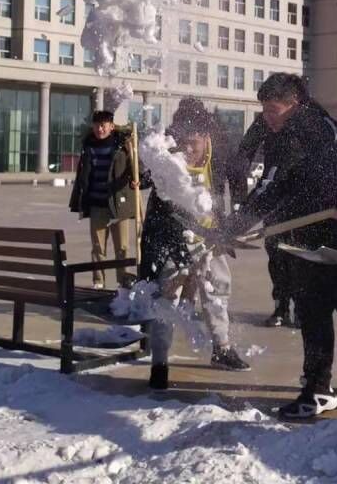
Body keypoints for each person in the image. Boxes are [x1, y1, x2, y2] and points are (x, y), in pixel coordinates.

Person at [228, 73, 337, 419]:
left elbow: (275, 187)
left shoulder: (298, 136)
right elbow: (275, 183)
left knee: (314, 311)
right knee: (335, 303)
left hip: (327, 231)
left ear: (293, 104)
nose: (267, 117)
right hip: (328, 226)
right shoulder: (310, 124)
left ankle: (318, 389)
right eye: (263, 110)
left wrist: (237, 223)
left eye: (272, 110)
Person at [139, 98, 252, 390]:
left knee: (217, 291)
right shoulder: (168, 154)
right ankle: (159, 363)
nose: (188, 150)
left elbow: (238, 178)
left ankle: (222, 348)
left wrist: (237, 215)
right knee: (167, 298)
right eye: (182, 142)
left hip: (210, 234)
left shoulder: (220, 150)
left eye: (194, 143)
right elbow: (140, 180)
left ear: (206, 136)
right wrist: (142, 160)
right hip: (170, 235)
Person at [237, 112, 297, 328]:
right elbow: (243, 154)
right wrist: (240, 203)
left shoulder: (304, 120)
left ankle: (300, 308)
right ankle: (281, 307)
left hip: (299, 199)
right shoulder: (264, 120)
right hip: (270, 196)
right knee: (276, 254)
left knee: (299, 255)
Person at [69, 111, 140, 290]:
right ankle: (98, 281)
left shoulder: (123, 145)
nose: (100, 129)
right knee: (98, 247)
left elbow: (136, 167)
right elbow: (83, 176)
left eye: (103, 125)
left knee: (122, 247)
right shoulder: (89, 146)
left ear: (111, 126)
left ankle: (122, 283)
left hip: (118, 204)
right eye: (97, 125)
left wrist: (136, 180)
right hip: (97, 204)